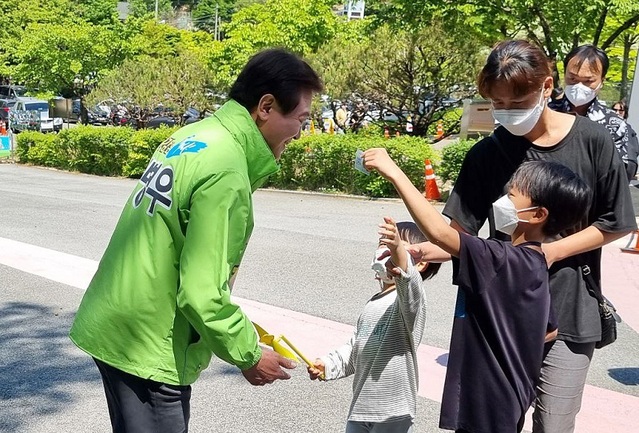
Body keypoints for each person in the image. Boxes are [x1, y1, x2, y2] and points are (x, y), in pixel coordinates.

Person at [69, 48, 323, 432]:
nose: (300, 132)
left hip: (118, 322)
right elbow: (201, 292)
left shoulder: (196, 135)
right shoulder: (227, 170)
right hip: (150, 342)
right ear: (266, 106)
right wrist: (249, 354)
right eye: (300, 118)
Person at [421, 40, 635, 433]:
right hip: (500, 311)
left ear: (547, 87)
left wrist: (550, 253)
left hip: (569, 306)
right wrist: (417, 251)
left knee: (554, 424)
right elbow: (458, 230)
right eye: (497, 103)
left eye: (517, 103)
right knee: (489, 422)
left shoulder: (592, 140)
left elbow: (618, 220)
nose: (507, 113)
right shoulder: (487, 153)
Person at [364, 150, 593, 433]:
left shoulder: (501, 258)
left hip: (488, 398)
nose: (503, 201)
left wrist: (394, 173)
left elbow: (440, 233)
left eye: (511, 196)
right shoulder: (532, 263)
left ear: (537, 214)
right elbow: (550, 330)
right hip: (508, 397)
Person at [307, 220, 441, 433]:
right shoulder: (373, 303)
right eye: (382, 245)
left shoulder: (408, 300)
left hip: (393, 410)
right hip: (361, 407)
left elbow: (410, 281)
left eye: (392, 246)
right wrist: (328, 364)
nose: (383, 251)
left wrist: (398, 251)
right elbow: (355, 347)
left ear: (420, 263)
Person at [548, 44, 639, 181]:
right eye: (572, 78)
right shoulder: (547, 113)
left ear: (602, 81)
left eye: (588, 81)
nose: (579, 86)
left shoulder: (615, 125)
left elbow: (623, 173)